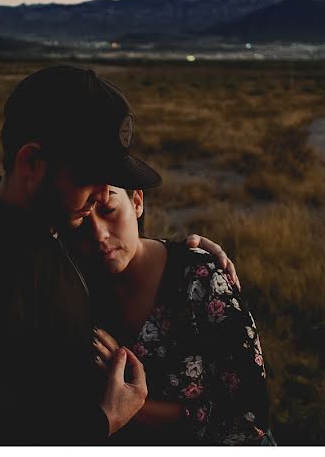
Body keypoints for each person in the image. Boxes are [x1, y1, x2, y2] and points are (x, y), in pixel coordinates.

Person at [0, 65, 240, 445]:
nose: (104, 195)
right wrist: (104, 419)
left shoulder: (54, 231)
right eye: (92, 175)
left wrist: (180, 253)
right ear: (31, 162)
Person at [71, 186, 275, 445]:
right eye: (82, 216)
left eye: (109, 210)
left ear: (137, 201)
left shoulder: (201, 279)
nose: (99, 233)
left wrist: (126, 408)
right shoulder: (71, 281)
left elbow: (249, 416)